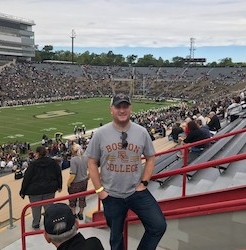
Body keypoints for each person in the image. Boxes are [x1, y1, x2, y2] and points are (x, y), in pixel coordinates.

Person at [85, 93, 167, 250]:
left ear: (130, 109)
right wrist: (100, 191)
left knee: (158, 226)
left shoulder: (141, 132)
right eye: (118, 107)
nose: (122, 110)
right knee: (116, 239)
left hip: (136, 192)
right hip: (111, 195)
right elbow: (92, 161)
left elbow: (151, 157)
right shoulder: (101, 133)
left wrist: (144, 182)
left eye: (125, 107)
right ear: (111, 110)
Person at [19, 146, 62, 229]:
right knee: (49, 208)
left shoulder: (33, 164)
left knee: (35, 209)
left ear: (38, 153)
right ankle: (49, 223)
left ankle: (36, 223)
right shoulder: (52, 162)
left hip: (35, 191)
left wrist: (22, 191)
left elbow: (27, 178)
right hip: (49, 189)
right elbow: (58, 174)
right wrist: (59, 186)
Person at [67, 143, 89, 220]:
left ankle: (73, 214)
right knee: (82, 198)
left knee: (72, 199)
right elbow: (91, 169)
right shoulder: (85, 157)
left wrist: (68, 182)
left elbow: (73, 174)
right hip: (84, 181)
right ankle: (81, 213)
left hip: (76, 183)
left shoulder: (73, 160)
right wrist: (87, 178)